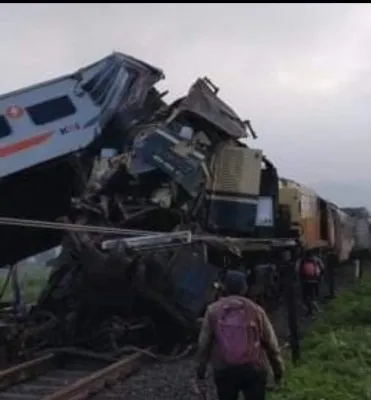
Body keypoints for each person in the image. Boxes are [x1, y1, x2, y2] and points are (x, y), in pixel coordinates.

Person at [196, 270, 284, 400]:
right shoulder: (255, 310)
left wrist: (201, 371)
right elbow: (271, 343)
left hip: (225, 370)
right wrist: (278, 370)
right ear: (244, 288)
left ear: (225, 288)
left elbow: (203, 344)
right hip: (253, 368)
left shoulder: (213, 310)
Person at [297, 250, 322, 316]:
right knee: (311, 296)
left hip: (306, 281)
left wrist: (299, 280)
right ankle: (311, 311)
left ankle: (316, 310)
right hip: (314, 280)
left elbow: (298, 271)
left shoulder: (302, 261)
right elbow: (321, 269)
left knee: (307, 297)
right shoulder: (315, 260)